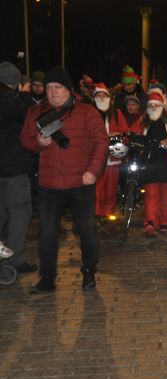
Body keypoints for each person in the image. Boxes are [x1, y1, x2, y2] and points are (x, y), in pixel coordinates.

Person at [19, 66, 108, 292]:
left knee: (86, 230)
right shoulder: (36, 113)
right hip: (50, 185)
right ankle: (47, 279)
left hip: (81, 183)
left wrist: (93, 171)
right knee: (47, 233)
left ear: (68, 89)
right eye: (49, 88)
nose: (53, 92)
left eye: (58, 87)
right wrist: (38, 143)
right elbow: (25, 141)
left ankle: (89, 272)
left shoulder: (86, 111)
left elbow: (101, 143)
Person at [131, 92, 167, 237]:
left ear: (162, 107)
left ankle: (164, 221)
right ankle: (150, 222)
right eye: (151, 105)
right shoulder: (143, 122)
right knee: (151, 195)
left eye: (156, 105)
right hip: (150, 164)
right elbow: (132, 135)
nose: (154, 108)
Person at [0, 61, 37, 273]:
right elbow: (31, 117)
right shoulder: (11, 101)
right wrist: (23, 94)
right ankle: (13, 261)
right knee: (20, 212)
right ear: (15, 82)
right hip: (13, 168)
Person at [91, 83, 130, 219]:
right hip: (95, 157)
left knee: (111, 187)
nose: (101, 98)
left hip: (113, 157)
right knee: (97, 187)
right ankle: (97, 212)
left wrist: (118, 134)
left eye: (104, 95)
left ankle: (109, 212)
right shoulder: (90, 113)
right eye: (98, 95)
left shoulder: (116, 113)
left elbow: (125, 132)